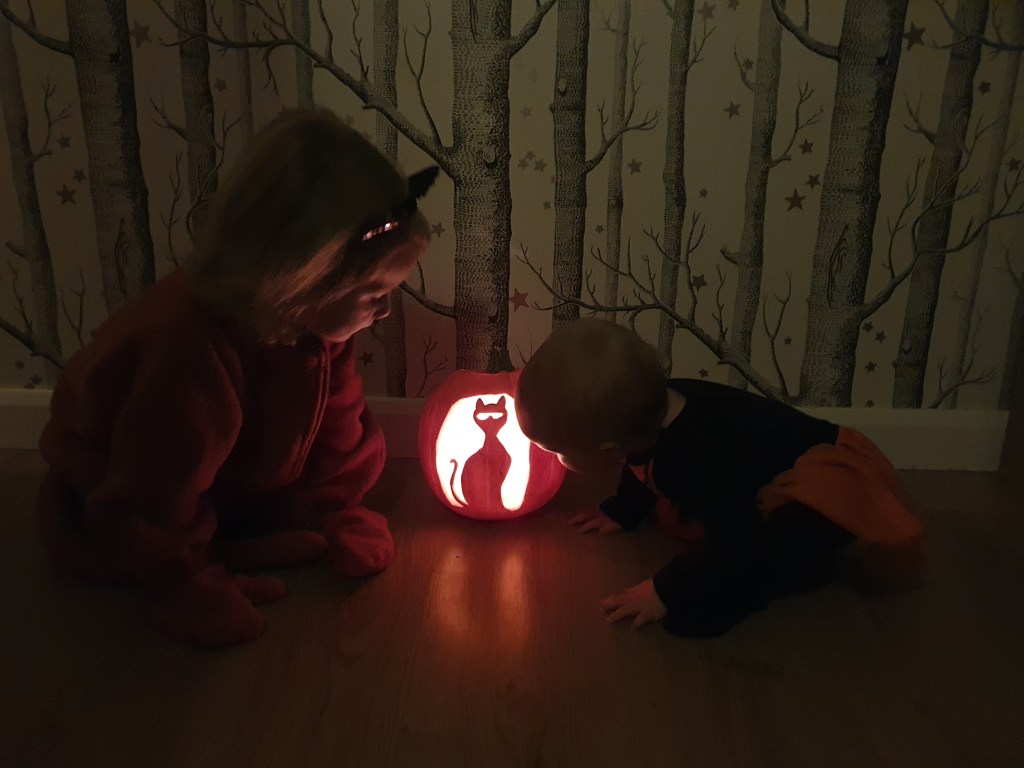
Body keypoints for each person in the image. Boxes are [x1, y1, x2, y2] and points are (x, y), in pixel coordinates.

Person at [37, 108, 435, 646]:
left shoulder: (318, 323)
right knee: (153, 516)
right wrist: (180, 580)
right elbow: (155, 485)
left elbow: (337, 419)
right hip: (127, 496)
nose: (384, 311)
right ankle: (186, 568)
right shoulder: (185, 348)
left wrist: (337, 504)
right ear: (304, 277)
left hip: (227, 483)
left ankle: (255, 534)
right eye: (374, 295)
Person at [516, 319, 923, 637]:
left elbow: (733, 541)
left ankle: (778, 581)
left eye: (554, 450)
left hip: (828, 483)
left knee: (762, 547)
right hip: (750, 472)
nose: (550, 456)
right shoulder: (647, 413)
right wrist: (622, 509)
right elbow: (637, 463)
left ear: (608, 449)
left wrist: (664, 590)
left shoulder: (696, 460)